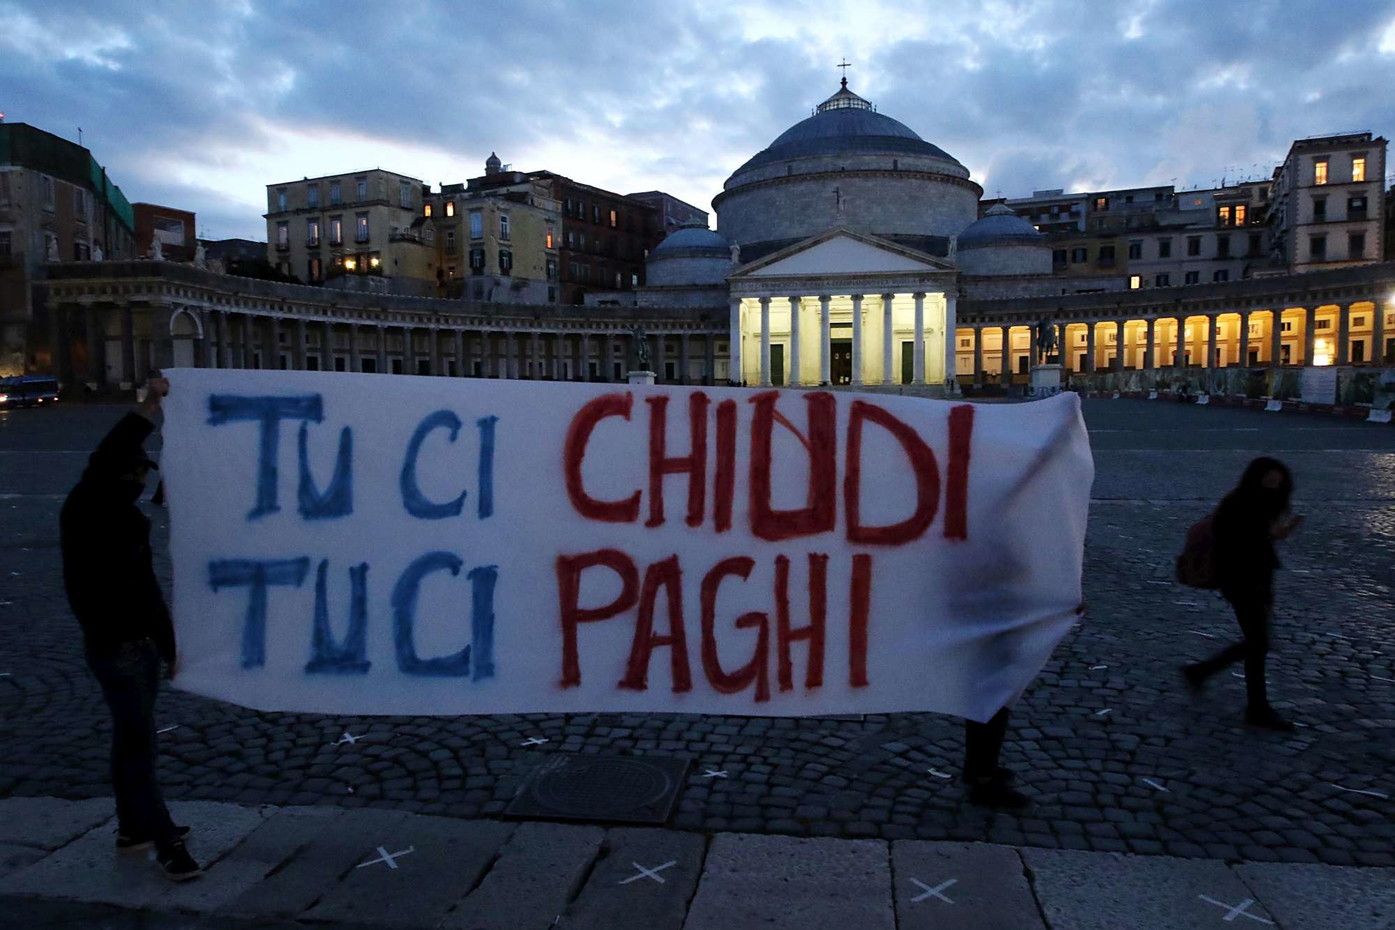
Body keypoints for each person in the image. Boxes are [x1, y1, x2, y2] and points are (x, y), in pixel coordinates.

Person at [59, 377, 202, 881]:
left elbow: (148, 592)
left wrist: (168, 646)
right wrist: (149, 406)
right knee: (140, 746)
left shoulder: (116, 514)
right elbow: (111, 450)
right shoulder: (89, 505)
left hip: (134, 645)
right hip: (115, 644)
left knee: (131, 739)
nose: (143, 480)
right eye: (138, 471)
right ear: (121, 472)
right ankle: (166, 843)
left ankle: (131, 829)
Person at [1182, 457, 1302, 731]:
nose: (1275, 483)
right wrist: (1268, 535)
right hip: (1241, 580)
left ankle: (1213, 680)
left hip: (1257, 579)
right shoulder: (1239, 502)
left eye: (1278, 480)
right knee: (1258, 643)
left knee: (1257, 644)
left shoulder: (1262, 503)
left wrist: (1275, 534)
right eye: (1270, 478)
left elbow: (1257, 542)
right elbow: (1235, 541)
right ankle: (1213, 679)